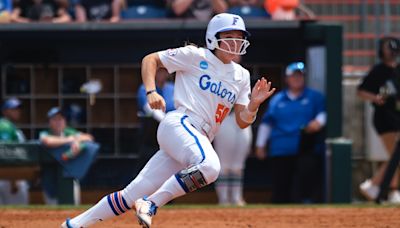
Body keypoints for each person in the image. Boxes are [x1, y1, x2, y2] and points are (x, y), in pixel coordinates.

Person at [62, 12, 275, 228]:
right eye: (229, 36)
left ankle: (73, 225)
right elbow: (150, 59)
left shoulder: (242, 75)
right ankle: (151, 203)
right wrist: (151, 91)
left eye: (239, 37)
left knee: (129, 195)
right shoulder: (196, 55)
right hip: (181, 124)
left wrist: (253, 105)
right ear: (213, 37)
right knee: (210, 167)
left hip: (195, 139)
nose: (235, 42)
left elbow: (242, 121)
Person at [255, 62, 326, 203]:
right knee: (281, 188)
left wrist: (318, 122)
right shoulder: (277, 99)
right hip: (280, 149)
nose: (296, 79)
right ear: (287, 79)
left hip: (306, 149)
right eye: (293, 76)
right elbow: (267, 123)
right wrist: (260, 145)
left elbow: (323, 113)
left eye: (300, 76)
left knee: (305, 186)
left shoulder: (315, 97)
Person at [358, 36, 400, 204]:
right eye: (387, 47)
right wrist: (375, 98)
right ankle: (382, 187)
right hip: (384, 118)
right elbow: (361, 91)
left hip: (397, 116)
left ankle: (380, 187)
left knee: (396, 157)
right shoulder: (378, 70)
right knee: (395, 155)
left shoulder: (398, 70)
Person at [213, 55, 252, 206]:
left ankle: (237, 198)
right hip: (225, 118)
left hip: (242, 119)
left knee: (238, 165)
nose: (235, 55)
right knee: (224, 164)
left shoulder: (244, 74)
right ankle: (223, 200)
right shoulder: (216, 72)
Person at [39, 107, 99, 205]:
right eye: (55, 119)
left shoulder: (69, 132)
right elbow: (47, 141)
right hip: (50, 177)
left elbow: (88, 137)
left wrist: (78, 141)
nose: (58, 122)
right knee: (52, 207)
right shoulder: (45, 133)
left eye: (61, 119)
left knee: (72, 206)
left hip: (69, 176)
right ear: (49, 122)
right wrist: (70, 140)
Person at [135, 68, 175, 174]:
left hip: (169, 134)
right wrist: (167, 121)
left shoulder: (172, 88)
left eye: (164, 71)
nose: (161, 74)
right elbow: (149, 108)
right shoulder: (145, 88)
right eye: (158, 71)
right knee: (146, 166)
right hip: (150, 134)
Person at [0, 97, 29, 205]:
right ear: (5, 111)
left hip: (9, 177)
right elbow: (6, 154)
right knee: (19, 212)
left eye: (18, 109)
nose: (17, 111)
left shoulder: (11, 127)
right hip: (9, 177)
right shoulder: (4, 126)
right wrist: (13, 180)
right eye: (13, 109)